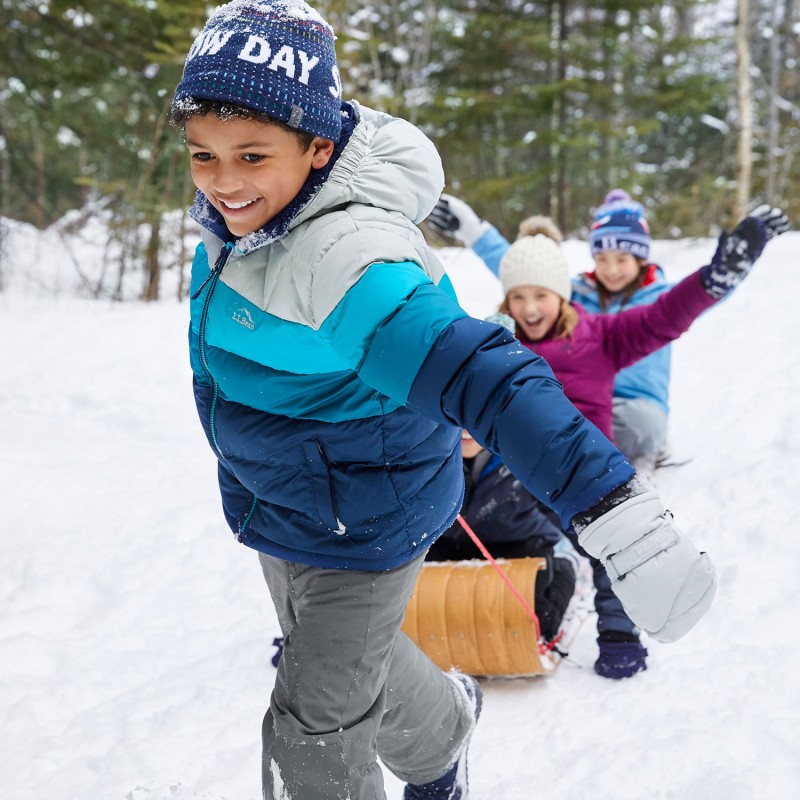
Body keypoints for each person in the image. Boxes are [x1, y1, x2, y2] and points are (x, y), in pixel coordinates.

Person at [170, 2, 725, 796]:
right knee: (340, 647)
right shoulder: (260, 213)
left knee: (314, 727)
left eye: (251, 155)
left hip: (363, 505)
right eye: (203, 155)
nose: (224, 182)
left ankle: (430, 770)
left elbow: (482, 373)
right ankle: (447, 724)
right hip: (285, 489)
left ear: (319, 146)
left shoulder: (341, 250)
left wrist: (615, 513)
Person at [436, 209, 787, 681]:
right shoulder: (501, 341)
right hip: (509, 473)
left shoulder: (599, 337)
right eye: (518, 296)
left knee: (607, 542)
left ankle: (620, 634)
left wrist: (715, 279)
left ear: (562, 296)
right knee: (445, 500)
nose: (529, 307)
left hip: (573, 473)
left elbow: (663, 317)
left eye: (541, 295)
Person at [428, 191, 670, 476]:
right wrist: (474, 231)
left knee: (637, 424)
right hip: (582, 405)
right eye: (602, 259)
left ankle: (634, 467)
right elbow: (528, 271)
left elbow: (694, 298)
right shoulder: (576, 294)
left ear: (641, 258)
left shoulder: (659, 299)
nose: (612, 269)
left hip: (633, 408)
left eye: (622, 259)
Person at [426, 430, 578, 643]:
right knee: (425, 620)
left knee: (530, 628)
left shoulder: (526, 455)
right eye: (455, 416)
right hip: (444, 543)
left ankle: (561, 570)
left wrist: (617, 633)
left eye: (469, 415)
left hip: (516, 544)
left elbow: (580, 522)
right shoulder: (421, 452)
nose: (465, 430)